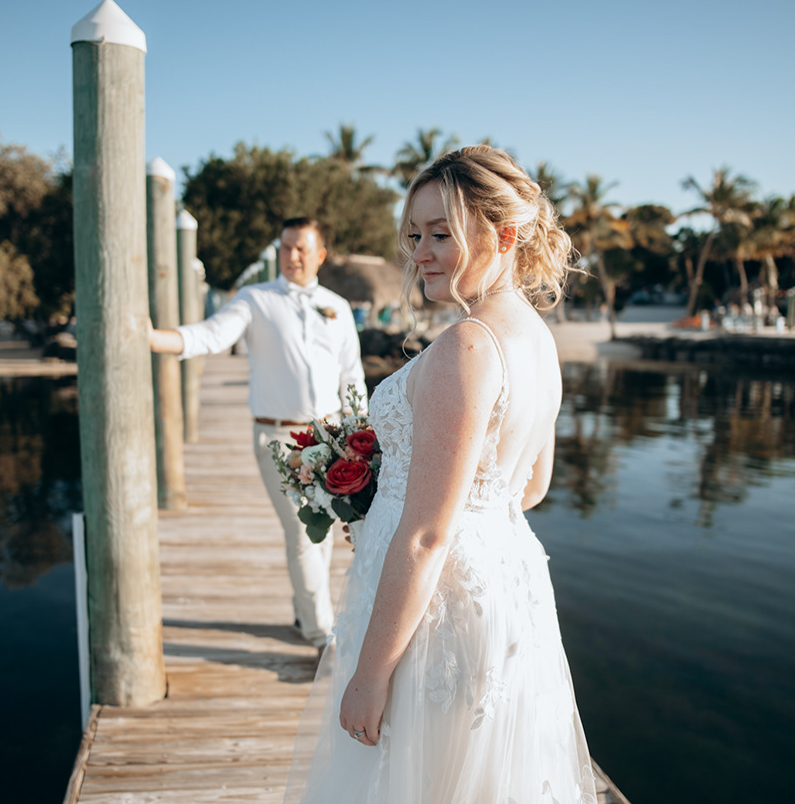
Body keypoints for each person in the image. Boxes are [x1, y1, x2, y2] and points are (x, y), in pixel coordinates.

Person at [284, 147, 596, 804]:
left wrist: (368, 677)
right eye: (414, 235)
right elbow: (530, 487)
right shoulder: (537, 340)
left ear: (503, 235)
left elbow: (427, 535)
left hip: (438, 609)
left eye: (440, 234)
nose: (419, 252)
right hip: (505, 588)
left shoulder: (467, 344)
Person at [149, 217, 366, 650]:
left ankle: (305, 611)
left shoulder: (337, 306)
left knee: (321, 532)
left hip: (330, 439)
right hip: (278, 441)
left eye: (302, 248)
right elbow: (212, 335)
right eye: (286, 247)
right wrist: (156, 339)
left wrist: (361, 437)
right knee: (302, 532)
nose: (292, 256)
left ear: (320, 254)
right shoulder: (256, 299)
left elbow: (352, 377)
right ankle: (321, 634)